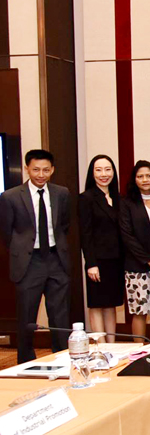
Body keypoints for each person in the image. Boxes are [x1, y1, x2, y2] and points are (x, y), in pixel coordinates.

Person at [0, 149, 71, 363]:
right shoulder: (10, 196)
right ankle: (26, 361)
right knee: (27, 316)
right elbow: (6, 232)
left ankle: (62, 358)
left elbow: (64, 226)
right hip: (29, 262)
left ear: (52, 170)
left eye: (46, 170)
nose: (41, 174)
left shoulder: (61, 193)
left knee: (60, 315)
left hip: (56, 259)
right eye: (36, 170)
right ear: (27, 169)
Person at [119, 161, 150, 343]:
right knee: (140, 311)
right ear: (134, 179)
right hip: (137, 264)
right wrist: (149, 261)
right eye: (140, 176)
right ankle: (139, 352)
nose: (145, 179)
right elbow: (127, 235)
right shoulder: (127, 202)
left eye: (149, 175)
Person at [79, 154, 124, 343]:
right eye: (98, 170)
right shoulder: (86, 198)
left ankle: (111, 345)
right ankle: (100, 346)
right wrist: (91, 263)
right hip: (97, 261)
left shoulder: (118, 198)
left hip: (116, 260)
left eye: (108, 169)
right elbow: (85, 234)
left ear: (113, 172)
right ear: (92, 173)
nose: (103, 174)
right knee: (97, 304)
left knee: (111, 304)